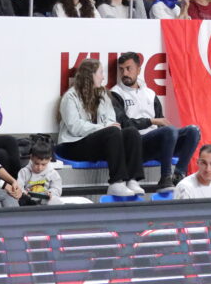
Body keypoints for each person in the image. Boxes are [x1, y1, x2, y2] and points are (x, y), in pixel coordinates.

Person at [57, 59, 146, 197]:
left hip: (95, 143)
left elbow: (111, 120)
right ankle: (116, 182)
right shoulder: (70, 97)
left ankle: (132, 180)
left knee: (131, 133)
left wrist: (107, 127)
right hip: (73, 145)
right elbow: (75, 127)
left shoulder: (103, 94)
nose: (103, 77)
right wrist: (102, 128)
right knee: (112, 132)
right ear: (90, 75)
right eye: (100, 73)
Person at [112, 52, 201, 190]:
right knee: (169, 130)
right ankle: (165, 178)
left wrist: (168, 137)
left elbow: (161, 124)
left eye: (129, 68)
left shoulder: (150, 93)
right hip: (135, 144)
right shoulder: (115, 93)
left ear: (138, 70)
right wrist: (151, 121)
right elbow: (124, 124)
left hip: (156, 143)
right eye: (121, 69)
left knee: (193, 131)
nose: (125, 73)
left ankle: (179, 175)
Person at [17, 139, 63, 205]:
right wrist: (23, 192)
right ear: (31, 158)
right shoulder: (24, 172)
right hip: (28, 200)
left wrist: (51, 193)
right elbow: (19, 186)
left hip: (45, 199)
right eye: (36, 163)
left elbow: (57, 188)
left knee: (55, 201)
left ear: (49, 160)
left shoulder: (53, 173)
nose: (39, 167)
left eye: (43, 164)